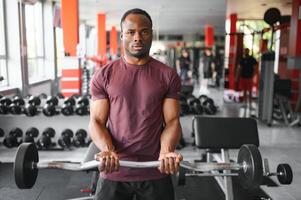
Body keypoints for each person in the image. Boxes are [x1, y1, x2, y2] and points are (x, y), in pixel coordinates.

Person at [89, 8, 183, 200]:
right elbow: (96, 121)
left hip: (154, 169)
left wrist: (166, 152)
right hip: (115, 168)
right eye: (131, 32)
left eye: (144, 32)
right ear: (122, 35)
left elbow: (172, 120)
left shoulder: (167, 75)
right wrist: (107, 150)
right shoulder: (104, 75)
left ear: (151, 35)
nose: (137, 38)